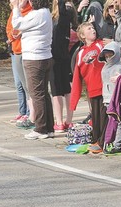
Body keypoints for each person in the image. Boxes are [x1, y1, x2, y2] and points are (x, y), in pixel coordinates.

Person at [11, 0, 55, 140]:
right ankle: (49, 127)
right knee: (43, 94)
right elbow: (29, 27)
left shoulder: (36, 14)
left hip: (34, 58)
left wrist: (15, 8)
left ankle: (41, 128)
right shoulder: (46, 13)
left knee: (36, 94)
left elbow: (17, 23)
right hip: (45, 56)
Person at [70, 22, 106, 153]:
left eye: (93, 27)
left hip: (104, 88)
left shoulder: (101, 45)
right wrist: (74, 100)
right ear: (82, 36)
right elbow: (76, 76)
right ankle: (96, 140)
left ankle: (103, 142)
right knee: (95, 117)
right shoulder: (80, 53)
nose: (93, 30)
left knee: (104, 116)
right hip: (91, 90)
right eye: (89, 29)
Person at [50, 0, 76, 132]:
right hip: (65, 56)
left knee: (57, 91)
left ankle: (60, 121)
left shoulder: (59, 19)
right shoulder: (68, 21)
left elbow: (61, 8)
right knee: (66, 89)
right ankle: (68, 120)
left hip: (55, 56)